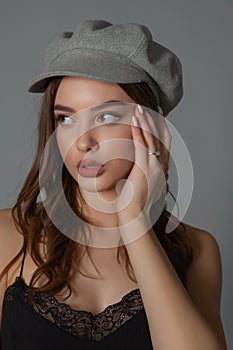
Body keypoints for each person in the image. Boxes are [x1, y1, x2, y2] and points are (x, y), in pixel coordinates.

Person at [0, 19, 227, 349]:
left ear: (152, 127)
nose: (82, 141)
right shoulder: (8, 236)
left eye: (106, 116)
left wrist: (135, 222)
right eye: (65, 117)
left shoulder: (197, 250)